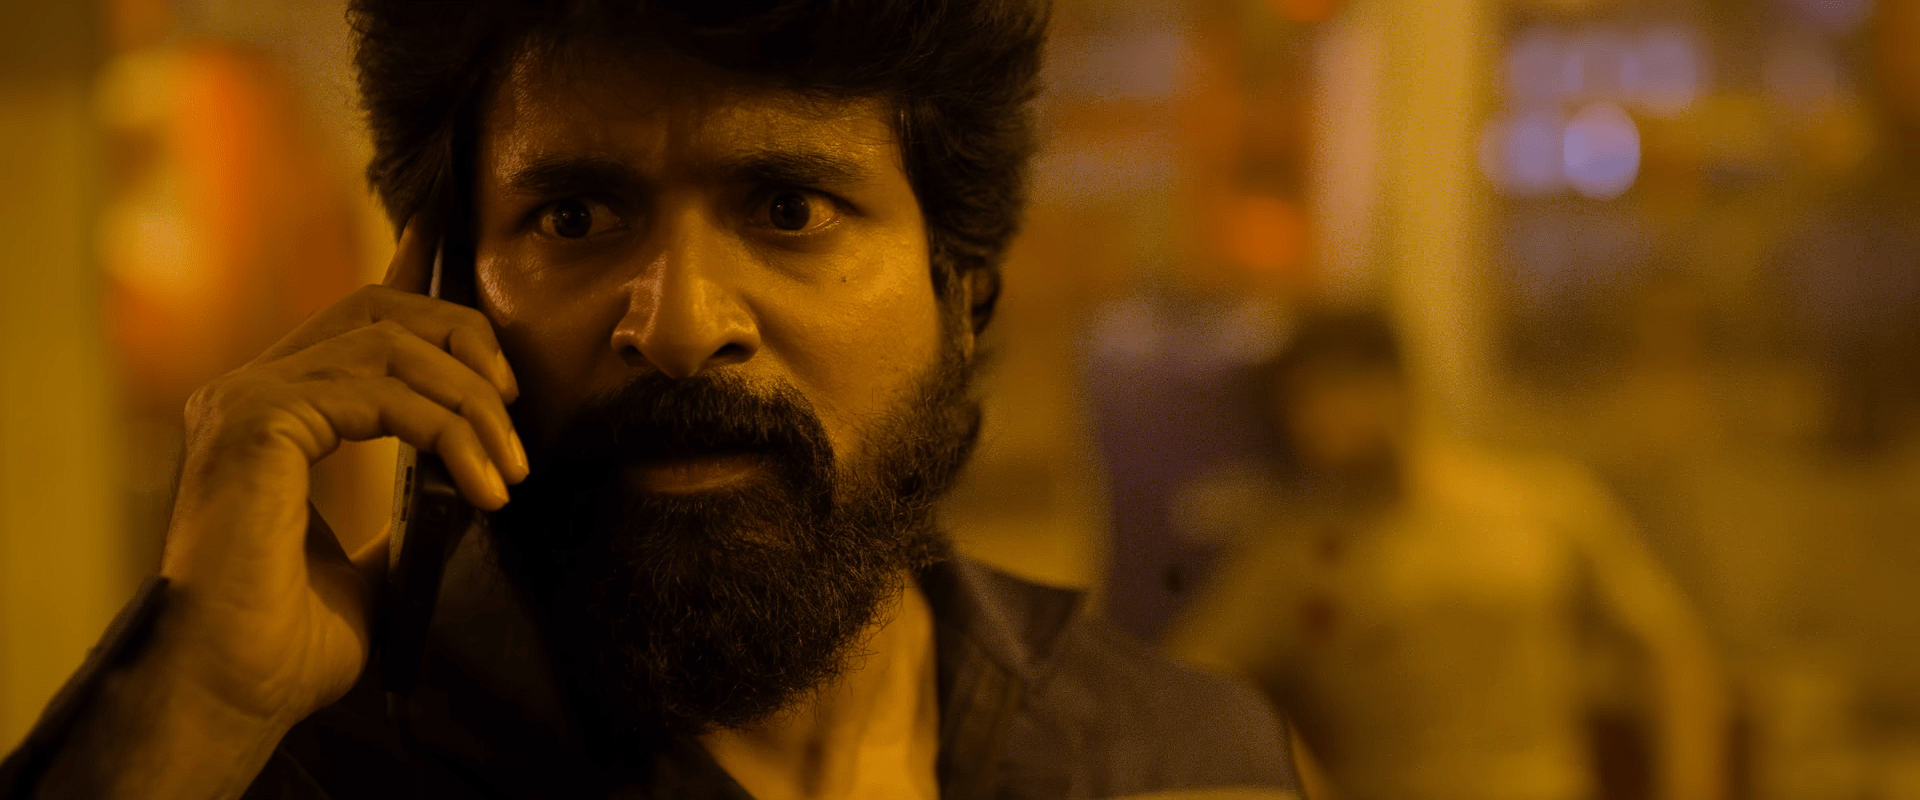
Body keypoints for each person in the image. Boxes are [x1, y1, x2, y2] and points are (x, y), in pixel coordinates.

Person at [0, 2, 1301, 798]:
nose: (678, 327)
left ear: (960, 291)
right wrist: (195, 709)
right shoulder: (292, 767)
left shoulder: (1181, 759)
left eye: (787, 208)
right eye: (575, 217)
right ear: (441, 287)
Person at [1164, 311, 1726, 800]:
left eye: (1333, 390)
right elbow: (1194, 674)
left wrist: (1689, 791)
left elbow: (1672, 648)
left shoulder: (1543, 504)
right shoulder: (1300, 546)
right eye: (1297, 403)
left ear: (1393, 384)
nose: (1315, 420)